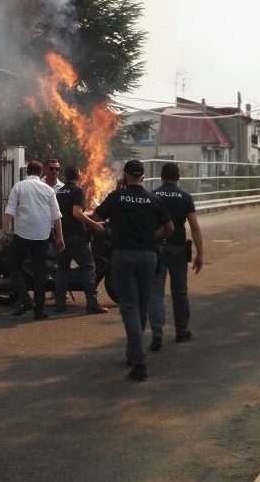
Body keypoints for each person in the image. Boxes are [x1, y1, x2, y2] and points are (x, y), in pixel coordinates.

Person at [93, 160, 173, 381]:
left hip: (123, 256)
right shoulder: (153, 199)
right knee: (142, 307)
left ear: (125, 175)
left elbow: (96, 217)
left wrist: (119, 191)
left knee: (129, 308)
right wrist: (152, 238)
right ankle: (132, 352)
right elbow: (169, 228)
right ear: (144, 177)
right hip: (148, 256)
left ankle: (139, 361)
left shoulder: (117, 197)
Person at [148, 162, 204, 351]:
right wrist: (200, 254)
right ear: (178, 177)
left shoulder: (153, 195)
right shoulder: (185, 197)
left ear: (161, 176)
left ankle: (157, 333)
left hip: (157, 248)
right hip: (178, 248)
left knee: (156, 291)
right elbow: (194, 226)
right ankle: (181, 330)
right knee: (179, 291)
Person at [0, 160, 64, 320]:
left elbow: (10, 211)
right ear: (42, 173)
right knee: (40, 273)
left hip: (23, 235)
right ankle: (39, 311)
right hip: (42, 236)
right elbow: (57, 216)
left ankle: (25, 299)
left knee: (12, 264)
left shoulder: (19, 186)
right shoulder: (48, 189)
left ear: (27, 172)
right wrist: (60, 237)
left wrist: (3, 233)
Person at [55, 164, 108, 315]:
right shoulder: (77, 191)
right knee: (89, 267)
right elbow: (77, 213)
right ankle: (92, 304)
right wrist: (95, 224)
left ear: (65, 176)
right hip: (76, 237)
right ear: (79, 176)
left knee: (62, 270)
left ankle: (60, 304)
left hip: (62, 236)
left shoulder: (59, 192)